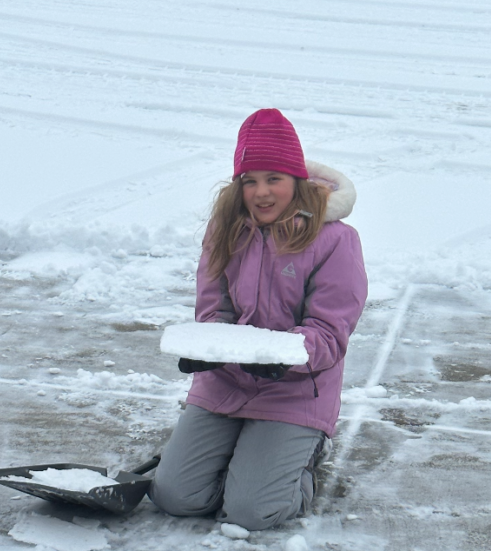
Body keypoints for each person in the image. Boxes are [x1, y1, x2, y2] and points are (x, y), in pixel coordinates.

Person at [150, 108, 368, 531]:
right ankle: (236, 459)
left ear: (296, 180)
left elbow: (329, 331)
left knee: (251, 511)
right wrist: (209, 347)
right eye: (249, 181)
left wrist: (283, 355)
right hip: (227, 382)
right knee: (174, 496)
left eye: (274, 179)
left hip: (296, 391)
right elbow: (214, 306)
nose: (261, 193)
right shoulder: (225, 229)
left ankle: (299, 464)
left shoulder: (336, 239)